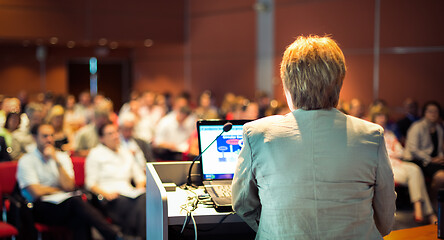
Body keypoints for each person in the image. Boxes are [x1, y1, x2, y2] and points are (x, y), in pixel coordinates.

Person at [231, 35, 396, 239]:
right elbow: (386, 217)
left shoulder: (256, 134)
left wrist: (274, 228)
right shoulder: (371, 135)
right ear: (339, 83)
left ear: (287, 87)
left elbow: (242, 204)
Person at [16, 124, 123, 240]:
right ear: (34, 138)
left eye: (52, 136)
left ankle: (114, 235)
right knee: (76, 203)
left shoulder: (61, 157)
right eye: (45, 136)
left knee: (79, 217)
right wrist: (58, 189)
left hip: (64, 204)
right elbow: (35, 191)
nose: (50, 139)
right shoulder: (26, 160)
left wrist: (56, 161)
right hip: (38, 208)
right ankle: (114, 235)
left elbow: (69, 186)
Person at [370, 106, 437, 224]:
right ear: (374, 118)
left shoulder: (389, 134)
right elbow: (379, 154)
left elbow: (401, 152)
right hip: (385, 167)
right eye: (379, 116)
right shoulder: (371, 134)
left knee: (416, 169)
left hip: (398, 164)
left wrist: (392, 153)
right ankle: (427, 212)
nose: (382, 119)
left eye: (384, 116)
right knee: (414, 174)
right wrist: (392, 153)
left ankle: (419, 208)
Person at [85, 122, 146, 239]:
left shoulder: (125, 152)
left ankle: (136, 236)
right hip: (109, 196)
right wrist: (106, 194)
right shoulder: (95, 154)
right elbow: (90, 183)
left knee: (146, 197)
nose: (115, 135)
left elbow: (139, 176)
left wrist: (139, 187)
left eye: (116, 132)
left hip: (129, 192)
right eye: (110, 133)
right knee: (131, 203)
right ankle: (137, 236)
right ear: (102, 138)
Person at [404, 101, 444, 207]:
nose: (433, 114)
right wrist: (430, 159)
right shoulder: (417, 126)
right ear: (424, 113)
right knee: (441, 177)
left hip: (431, 161)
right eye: (430, 111)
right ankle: (432, 203)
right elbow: (413, 149)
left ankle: (435, 201)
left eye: (436, 111)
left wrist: (440, 158)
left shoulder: (439, 128)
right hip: (416, 159)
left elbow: (439, 149)